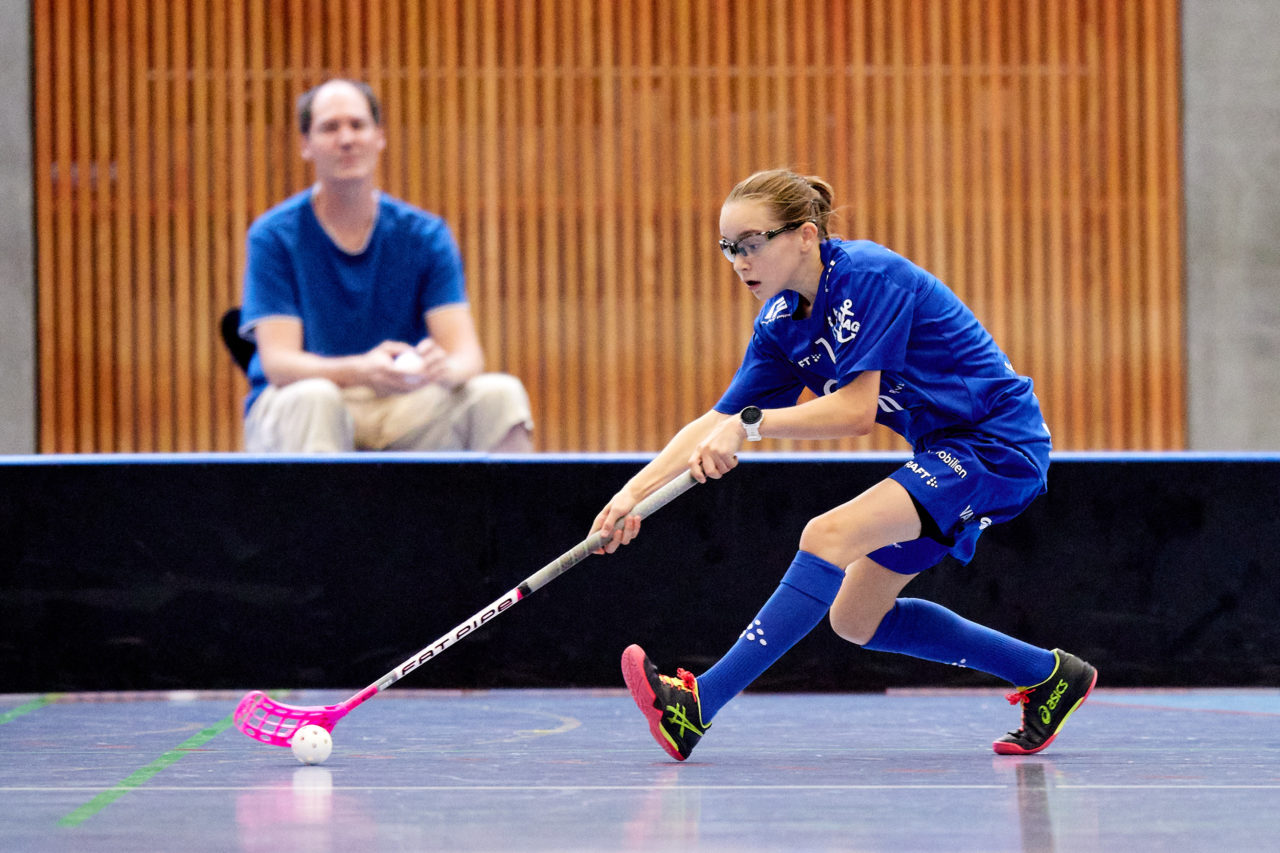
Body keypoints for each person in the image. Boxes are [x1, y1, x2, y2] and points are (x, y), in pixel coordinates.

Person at [591, 169, 1096, 761]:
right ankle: (1051, 676)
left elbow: (855, 411)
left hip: (995, 445)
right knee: (857, 618)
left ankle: (696, 707)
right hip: (943, 452)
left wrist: (752, 425)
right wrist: (631, 495)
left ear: (805, 235)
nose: (738, 260)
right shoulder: (781, 325)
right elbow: (714, 420)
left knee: (826, 535)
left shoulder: (867, 275)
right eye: (729, 247)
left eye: (752, 242)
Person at [238, 79, 533, 453]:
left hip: (404, 405)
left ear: (379, 137)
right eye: (330, 127)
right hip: (303, 406)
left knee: (500, 394)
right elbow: (279, 363)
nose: (346, 138)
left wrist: (441, 369)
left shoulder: (425, 234)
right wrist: (361, 371)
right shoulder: (274, 235)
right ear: (305, 145)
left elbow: (466, 355)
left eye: (357, 125)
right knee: (316, 399)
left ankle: (505, 515)